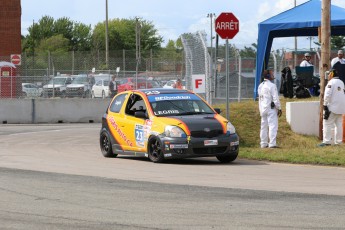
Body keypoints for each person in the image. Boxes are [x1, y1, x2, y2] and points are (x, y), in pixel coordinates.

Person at [318, 69, 345, 147]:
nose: (328, 75)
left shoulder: (331, 83)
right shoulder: (341, 82)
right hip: (341, 108)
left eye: (329, 74)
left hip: (332, 107)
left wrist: (325, 105)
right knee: (339, 124)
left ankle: (327, 142)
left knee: (327, 123)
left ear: (332, 74)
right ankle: (338, 142)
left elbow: (327, 95)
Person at [258, 69, 282, 148]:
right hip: (271, 109)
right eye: (272, 74)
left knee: (263, 126)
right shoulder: (272, 86)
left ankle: (263, 143)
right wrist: (279, 108)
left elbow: (260, 98)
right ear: (268, 76)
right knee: (273, 126)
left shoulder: (260, 85)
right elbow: (275, 98)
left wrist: (260, 110)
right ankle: (272, 144)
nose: (273, 75)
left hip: (263, 108)